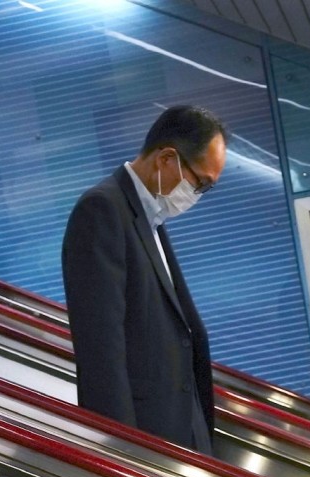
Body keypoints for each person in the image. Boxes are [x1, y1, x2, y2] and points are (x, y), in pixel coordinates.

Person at [60, 104, 228, 455]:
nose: (197, 196)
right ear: (167, 159)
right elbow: (101, 349)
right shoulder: (102, 210)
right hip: (146, 441)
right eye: (201, 184)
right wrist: (122, 451)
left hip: (181, 432)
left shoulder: (150, 216)